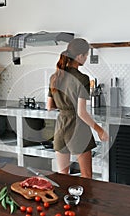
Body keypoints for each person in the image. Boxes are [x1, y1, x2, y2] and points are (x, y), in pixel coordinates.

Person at [46, 38, 109, 179]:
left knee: (63, 175)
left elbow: (49, 106)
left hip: (61, 127)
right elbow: (81, 112)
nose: (86, 58)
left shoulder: (54, 77)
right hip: (77, 128)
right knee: (86, 175)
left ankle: (67, 201)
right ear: (79, 56)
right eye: (85, 55)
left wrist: (64, 104)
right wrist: (99, 130)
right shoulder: (83, 78)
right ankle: (83, 201)